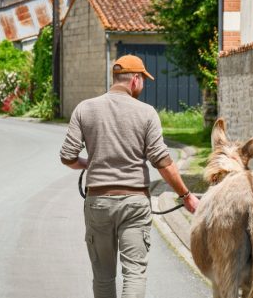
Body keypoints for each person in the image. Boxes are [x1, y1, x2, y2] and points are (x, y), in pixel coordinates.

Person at [60, 55, 200, 298]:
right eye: (143, 80)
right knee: (134, 272)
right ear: (135, 80)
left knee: (103, 275)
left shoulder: (85, 108)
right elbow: (162, 161)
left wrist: (89, 163)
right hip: (134, 204)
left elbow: (67, 156)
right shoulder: (147, 113)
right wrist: (186, 196)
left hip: (98, 202)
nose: (143, 85)